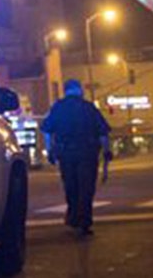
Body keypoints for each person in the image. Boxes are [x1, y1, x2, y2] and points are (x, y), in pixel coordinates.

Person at [41, 79, 111, 236]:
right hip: (87, 152)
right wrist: (106, 151)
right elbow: (103, 132)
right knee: (86, 187)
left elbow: (47, 130)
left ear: (65, 90)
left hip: (66, 153)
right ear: (78, 89)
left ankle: (73, 217)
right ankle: (84, 220)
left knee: (71, 186)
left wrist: (50, 150)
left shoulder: (58, 107)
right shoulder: (88, 108)